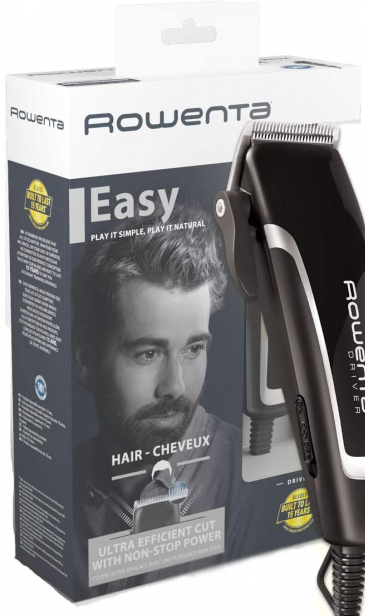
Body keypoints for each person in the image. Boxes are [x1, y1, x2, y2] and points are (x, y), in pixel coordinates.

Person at [71, 200, 251, 598]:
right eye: (148, 354)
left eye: (193, 349)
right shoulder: (57, 487)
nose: (175, 387)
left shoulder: (252, 486)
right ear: (85, 362)